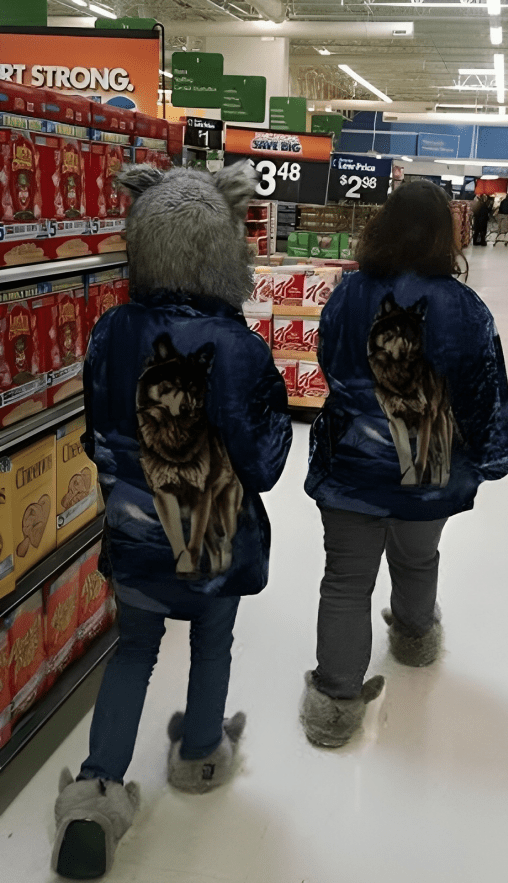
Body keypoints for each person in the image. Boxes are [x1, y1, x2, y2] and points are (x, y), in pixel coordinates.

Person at [51, 163, 293, 879]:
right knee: (213, 647)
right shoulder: (242, 349)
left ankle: (95, 794)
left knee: (133, 652)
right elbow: (265, 461)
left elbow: (99, 436)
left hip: (135, 540)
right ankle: (198, 758)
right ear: (225, 247)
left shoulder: (108, 331)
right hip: (217, 549)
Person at [300, 180, 508, 748]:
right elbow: (483, 393)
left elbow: (327, 361)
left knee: (345, 580)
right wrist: (492, 458)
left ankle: (334, 706)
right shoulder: (466, 309)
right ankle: (415, 640)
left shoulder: (347, 295)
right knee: (419, 560)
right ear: (446, 236)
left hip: (349, 470)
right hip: (431, 472)